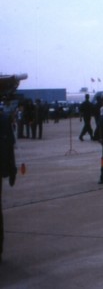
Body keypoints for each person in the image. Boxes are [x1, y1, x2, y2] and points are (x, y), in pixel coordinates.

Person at [0, 107, 18, 264]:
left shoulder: (3, 119)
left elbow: (9, 144)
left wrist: (12, 169)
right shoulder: (4, 118)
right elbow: (10, 144)